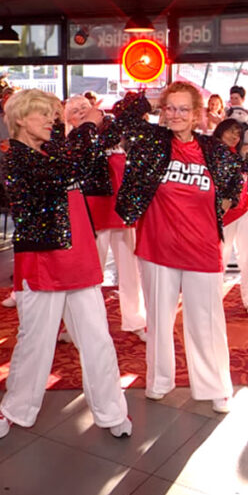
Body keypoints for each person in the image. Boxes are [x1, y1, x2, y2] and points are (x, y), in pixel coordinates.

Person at [0, 88, 131, 440]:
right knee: (34, 341)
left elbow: (93, 164)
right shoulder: (18, 159)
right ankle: (14, 409)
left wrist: (103, 120)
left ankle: (112, 410)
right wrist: (88, 129)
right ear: (21, 119)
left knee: (97, 338)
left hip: (79, 256)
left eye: (54, 113)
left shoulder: (58, 148)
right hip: (42, 260)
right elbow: (67, 166)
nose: (53, 119)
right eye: (44, 114)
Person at [111, 82, 244, 414]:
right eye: (170, 107)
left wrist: (220, 206)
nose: (175, 115)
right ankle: (159, 380)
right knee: (158, 320)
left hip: (202, 248)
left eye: (184, 109)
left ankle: (215, 386)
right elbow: (124, 118)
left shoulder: (212, 149)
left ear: (198, 114)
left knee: (207, 322)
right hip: (158, 247)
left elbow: (233, 183)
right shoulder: (151, 143)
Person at [64, 95, 147, 341]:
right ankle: (78, 324)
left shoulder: (109, 133)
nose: (82, 112)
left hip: (120, 207)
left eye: (85, 108)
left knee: (130, 268)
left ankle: (136, 320)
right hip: (93, 209)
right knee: (91, 269)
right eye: (76, 110)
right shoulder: (73, 141)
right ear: (68, 118)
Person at [213, 118, 248, 315]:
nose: (234, 136)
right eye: (230, 132)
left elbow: (247, 167)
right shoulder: (215, 155)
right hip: (223, 215)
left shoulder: (236, 155)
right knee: (220, 259)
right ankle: (212, 300)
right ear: (220, 131)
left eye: (237, 134)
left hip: (243, 211)